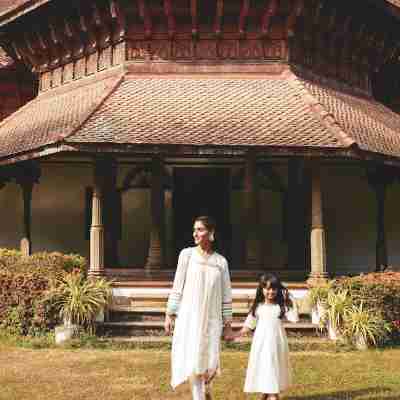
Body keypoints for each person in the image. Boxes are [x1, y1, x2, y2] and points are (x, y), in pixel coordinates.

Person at [164, 216, 233, 400]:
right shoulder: (187, 255)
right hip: (190, 317)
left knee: (209, 362)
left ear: (211, 234)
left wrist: (227, 325)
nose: (195, 233)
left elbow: (226, 296)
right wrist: (170, 314)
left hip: (211, 320)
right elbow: (177, 286)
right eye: (194, 229)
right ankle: (199, 396)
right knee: (194, 360)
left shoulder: (221, 262)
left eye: (200, 229)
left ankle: (206, 391)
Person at [236, 273, 296, 400]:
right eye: (267, 288)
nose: (271, 292)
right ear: (262, 289)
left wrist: (290, 300)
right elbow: (249, 324)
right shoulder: (258, 307)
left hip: (277, 344)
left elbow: (294, 319)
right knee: (265, 366)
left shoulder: (281, 307)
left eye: (274, 288)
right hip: (261, 345)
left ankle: (272, 394)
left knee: (274, 366)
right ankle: (269, 392)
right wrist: (237, 334)